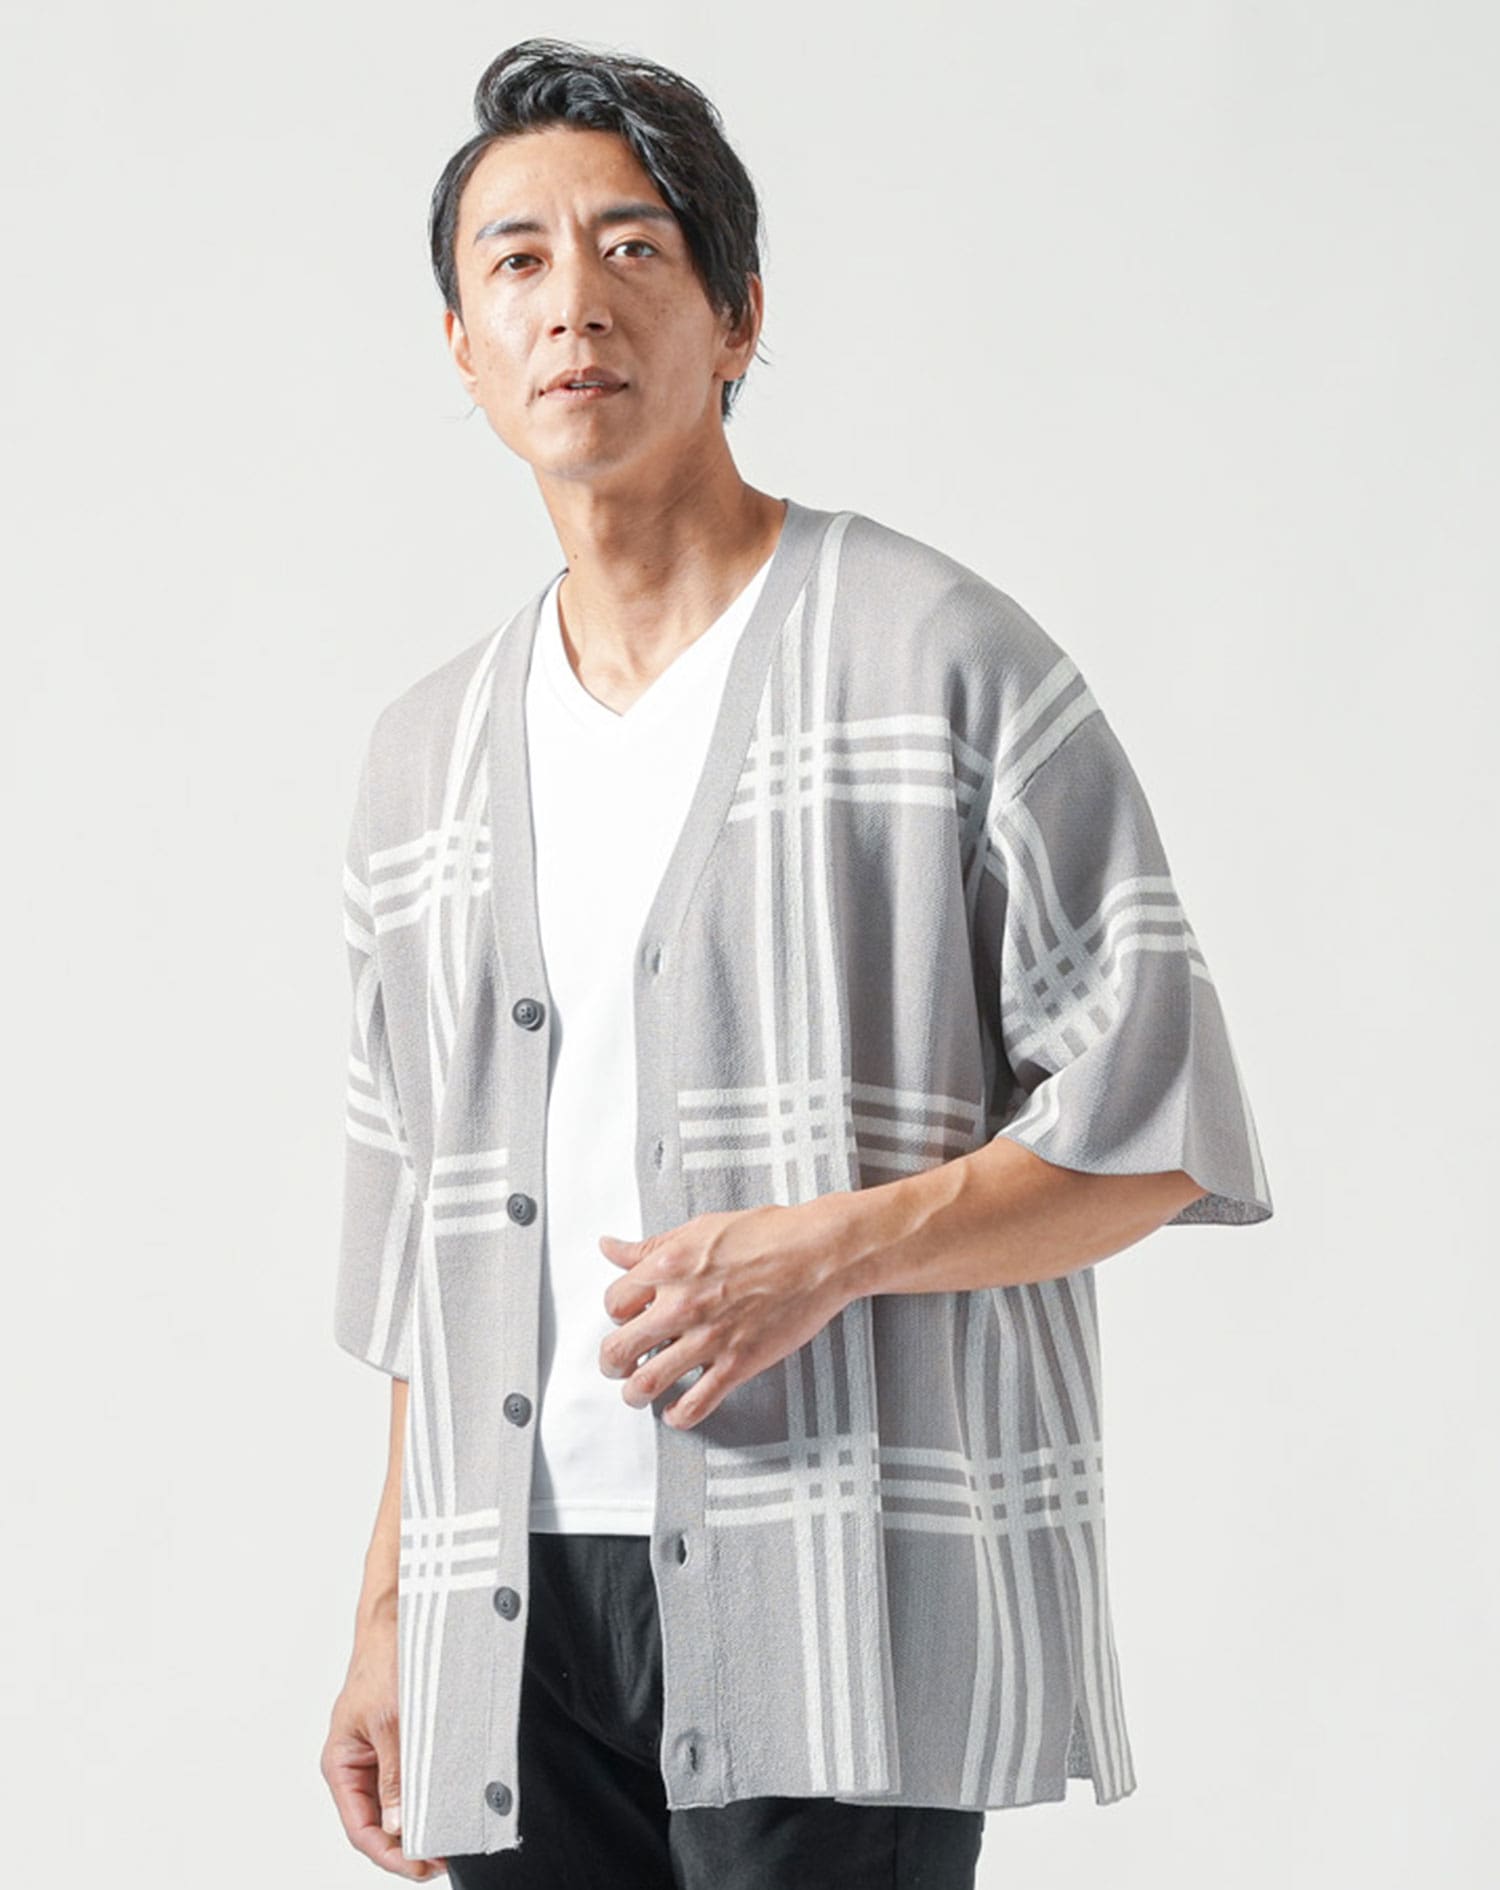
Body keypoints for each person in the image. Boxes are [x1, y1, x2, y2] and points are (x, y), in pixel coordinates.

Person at [320, 36, 1273, 1890]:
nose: (571, 301)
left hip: (839, 1576)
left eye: (633, 247)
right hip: (505, 1611)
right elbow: (429, 1242)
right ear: (461, 344)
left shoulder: (940, 662)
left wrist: (831, 1249)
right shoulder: (420, 759)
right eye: (515, 259)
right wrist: (386, 1613)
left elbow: (1159, 1129)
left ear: (738, 315)